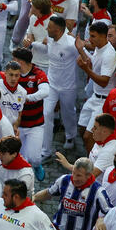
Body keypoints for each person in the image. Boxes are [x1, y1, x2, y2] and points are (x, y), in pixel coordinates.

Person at [30, 15, 79, 155]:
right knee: (46, 113)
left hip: (68, 86)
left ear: (58, 30)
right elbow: (46, 49)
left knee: (68, 112)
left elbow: (84, 56)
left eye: (49, 27)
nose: (47, 28)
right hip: (51, 84)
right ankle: (45, 150)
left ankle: (70, 136)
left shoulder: (71, 44)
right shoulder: (50, 38)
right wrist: (32, 44)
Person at [75, 22, 116, 147]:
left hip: (103, 101)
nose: (89, 39)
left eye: (93, 36)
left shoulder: (109, 55)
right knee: (82, 128)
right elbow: (93, 64)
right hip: (95, 97)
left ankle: (91, 163)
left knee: (89, 137)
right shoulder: (99, 49)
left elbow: (104, 81)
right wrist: (80, 50)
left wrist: (86, 70)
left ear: (102, 36)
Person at [13, 47, 51, 172]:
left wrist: (26, 98)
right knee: (23, 159)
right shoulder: (13, 73)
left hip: (36, 124)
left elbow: (45, 92)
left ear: (21, 62)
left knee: (35, 158)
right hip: (19, 125)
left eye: (14, 60)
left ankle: (36, 165)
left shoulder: (38, 73)